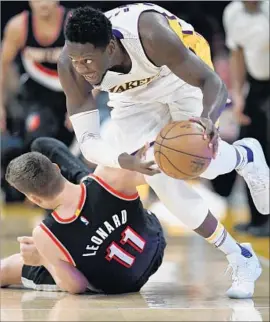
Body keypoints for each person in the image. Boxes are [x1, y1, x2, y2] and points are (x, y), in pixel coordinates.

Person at [58, 4, 269, 298]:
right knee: (161, 174)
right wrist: (123, 160)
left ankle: (245, 155)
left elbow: (213, 82)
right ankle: (239, 256)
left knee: (200, 158)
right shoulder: (70, 65)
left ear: (109, 47)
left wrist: (207, 118)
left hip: (178, 74)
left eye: (88, 61)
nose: (81, 68)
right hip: (131, 96)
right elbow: (89, 140)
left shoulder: (150, 34)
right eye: (76, 60)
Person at [1, 137, 166, 294]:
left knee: (7, 268)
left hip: (122, 285)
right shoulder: (108, 175)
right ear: (58, 168)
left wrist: (42, 259)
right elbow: (157, 169)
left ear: (33, 198)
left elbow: (76, 286)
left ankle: (83, 183)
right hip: (155, 246)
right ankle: (84, 180)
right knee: (42, 145)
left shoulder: (44, 234)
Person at [220, 0, 270, 236]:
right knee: (250, 150)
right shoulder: (232, 12)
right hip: (256, 87)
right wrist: (238, 96)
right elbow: (237, 54)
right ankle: (258, 219)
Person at [0, 0, 73, 147]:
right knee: (37, 141)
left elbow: (94, 67)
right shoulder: (18, 27)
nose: (43, 3)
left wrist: (82, 106)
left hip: (71, 95)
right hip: (35, 99)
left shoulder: (74, 23)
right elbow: (2, 67)